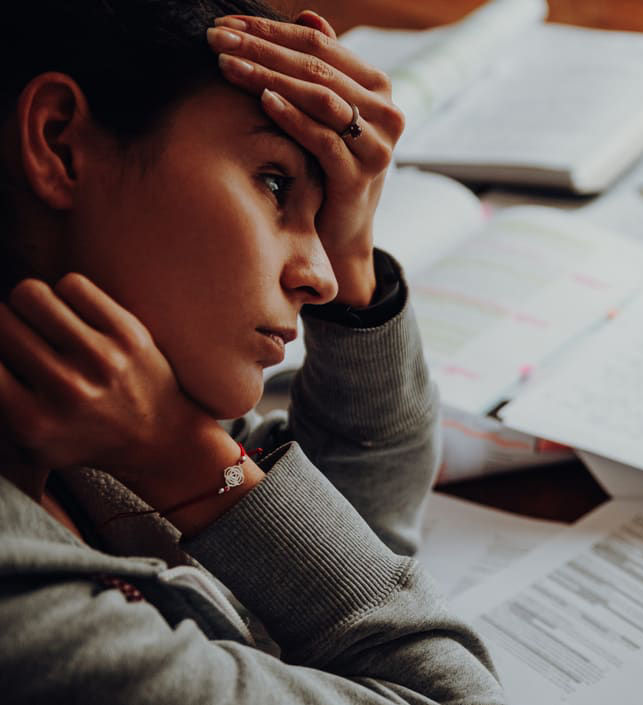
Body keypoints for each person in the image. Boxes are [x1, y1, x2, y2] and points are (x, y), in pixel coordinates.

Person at [0, 1, 505, 702]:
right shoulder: (31, 619)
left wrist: (355, 262)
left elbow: (344, 541)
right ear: (59, 142)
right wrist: (182, 456)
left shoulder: (93, 386)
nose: (321, 276)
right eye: (274, 184)